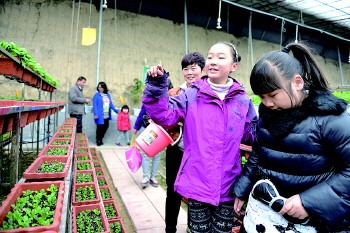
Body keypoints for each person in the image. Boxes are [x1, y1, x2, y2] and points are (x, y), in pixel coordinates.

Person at [231, 42, 350, 233]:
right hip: (265, 212)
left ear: (297, 82)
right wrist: (242, 189)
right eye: (261, 97)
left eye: (273, 95)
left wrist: (309, 202)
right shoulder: (268, 115)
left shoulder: (332, 119)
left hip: (312, 221)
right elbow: (258, 154)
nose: (267, 103)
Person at [143, 41, 258, 233]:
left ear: (234, 66)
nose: (213, 61)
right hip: (197, 183)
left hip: (228, 187)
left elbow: (252, 135)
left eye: (221, 57)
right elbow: (162, 114)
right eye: (210, 56)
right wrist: (156, 86)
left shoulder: (242, 100)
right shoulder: (191, 95)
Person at [165, 52, 205, 233]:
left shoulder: (207, 93)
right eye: (185, 69)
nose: (189, 72)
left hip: (197, 150)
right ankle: (170, 228)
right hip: (175, 147)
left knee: (193, 192)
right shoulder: (174, 92)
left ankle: (192, 227)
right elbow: (164, 117)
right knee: (172, 189)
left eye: (193, 68)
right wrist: (177, 120)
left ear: (202, 70)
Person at [132, 105, 162, 188]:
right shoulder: (149, 98)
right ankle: (145, 177)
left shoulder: (165, 99)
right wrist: (136, 126)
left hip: (162, 131)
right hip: (149, 130)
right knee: (146, 153)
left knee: (157, 154)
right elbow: (142, 114)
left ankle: (153, 177)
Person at [92, 81, 119, 146]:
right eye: (99, 87)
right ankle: (98, 140)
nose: (100, 89)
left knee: (106, 127)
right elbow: (95, 105)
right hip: (100, 115)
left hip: (106, 114)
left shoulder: (108, 95)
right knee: (99, 128)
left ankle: (101, 138)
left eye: (101, 87)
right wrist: (95, 114)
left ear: (104, 88)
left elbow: (110, 104)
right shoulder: (96, 95)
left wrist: (116, 110)